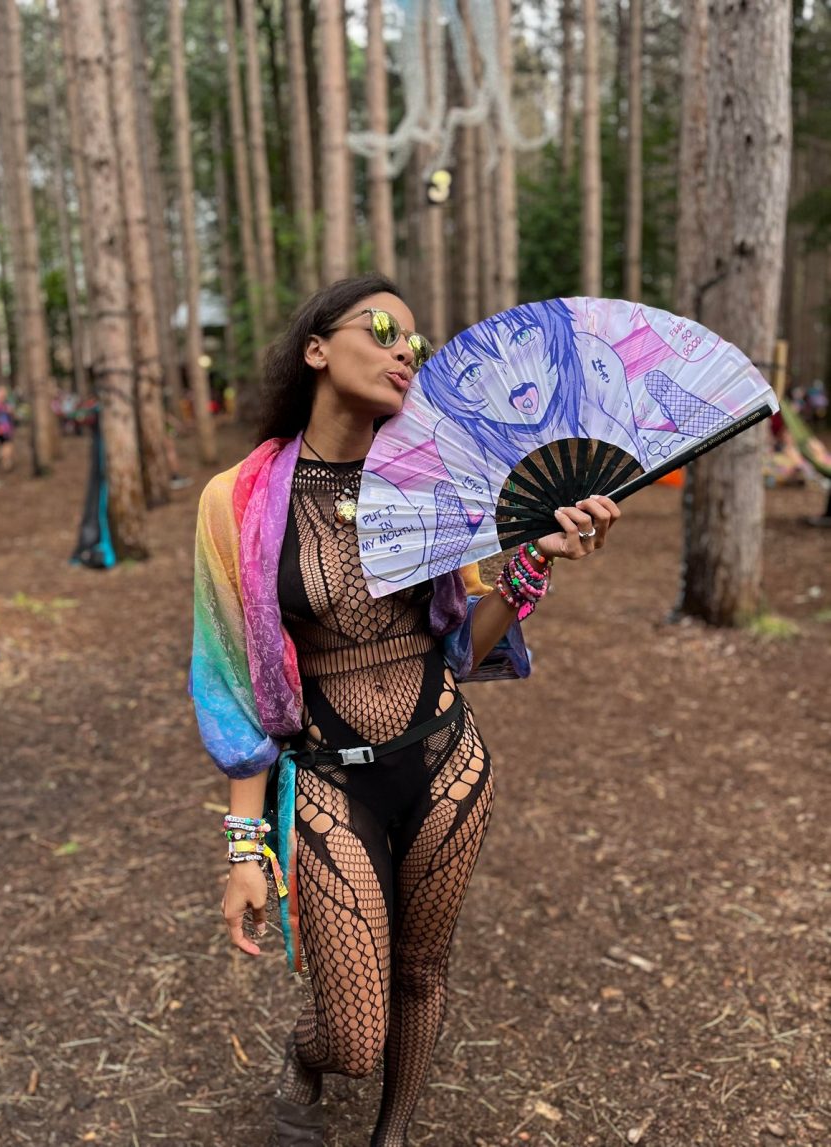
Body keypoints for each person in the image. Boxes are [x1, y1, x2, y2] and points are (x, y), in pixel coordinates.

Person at [190, 274, 621, 1146]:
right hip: (329, 779)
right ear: (317, 347)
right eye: (383, 328)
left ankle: (393, 1135)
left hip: (446, 763)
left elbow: (461, 648)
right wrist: (244, 851)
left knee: (421, 970)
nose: (404, 353)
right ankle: (307, 1055)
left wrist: (534, 563)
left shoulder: (432, 480)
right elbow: (234, 683)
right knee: (353, 1035)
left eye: (415, 345)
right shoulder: (235, 500)